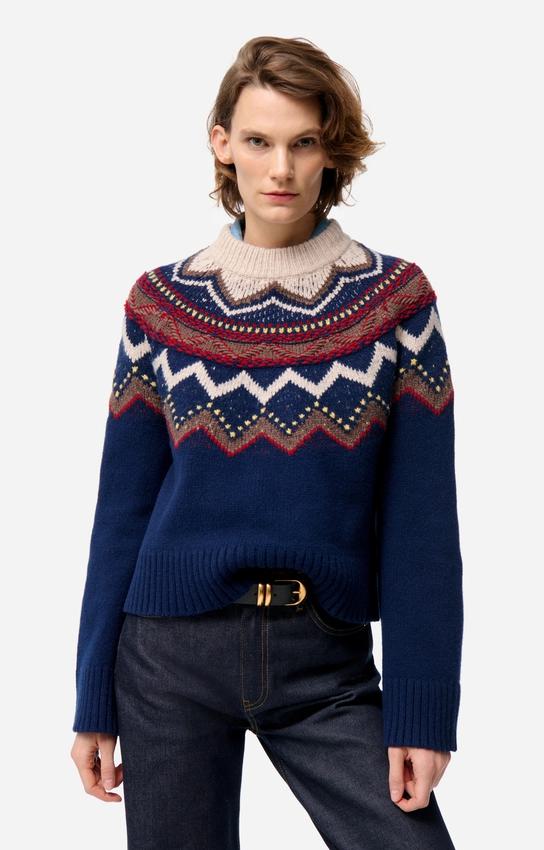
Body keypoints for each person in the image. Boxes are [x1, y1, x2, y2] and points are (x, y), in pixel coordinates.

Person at [70, 35, 463, 850]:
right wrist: (92, 700)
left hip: (323, 663)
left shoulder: (395, 303)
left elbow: (422, 524)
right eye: (258, 140)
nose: (280, 168)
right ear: (222, 144)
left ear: (331, 149)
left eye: (303, 142)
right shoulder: (159, 306)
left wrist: (424, 711)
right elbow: (122, 513)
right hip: (165, 660)